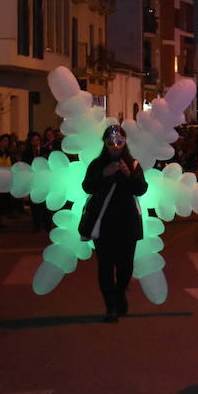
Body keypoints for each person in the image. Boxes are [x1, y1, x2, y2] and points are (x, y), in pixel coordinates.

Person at [80, 125, 148, 322]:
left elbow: (141, 189)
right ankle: (110, 306)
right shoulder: (97, 164)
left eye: (119, 142)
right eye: (111, 143)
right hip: (104, 223)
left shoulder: (133, 165)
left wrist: (128, 175)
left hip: (127, 223)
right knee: (106, 266)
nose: (115, 146)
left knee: (126, 267)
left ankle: (119, 294)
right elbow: (87, 187)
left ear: (125, 142)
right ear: (105, 144)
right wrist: (104, 174)